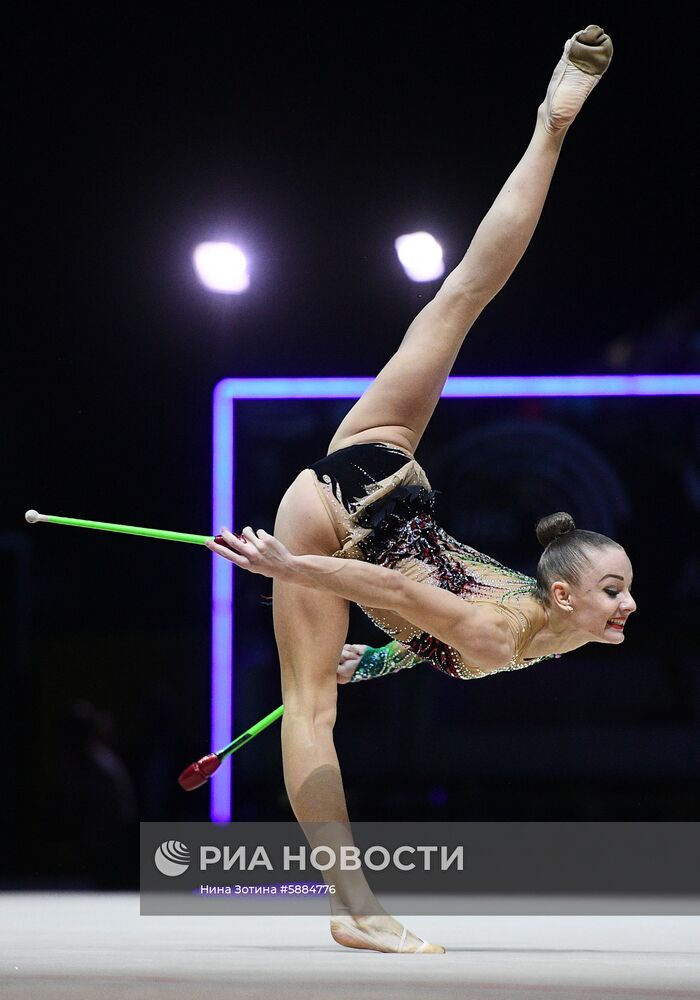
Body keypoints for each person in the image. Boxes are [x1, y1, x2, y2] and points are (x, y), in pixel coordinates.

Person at [207, 25, 631, 954]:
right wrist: (293, 566)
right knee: (308, 710)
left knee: (465, 294)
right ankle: (352, 910)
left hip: (384, 459)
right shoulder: (503, 632)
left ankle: (548, 130)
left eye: (623, 589)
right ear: (561, 593)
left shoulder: (544, 626)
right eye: (614, 591)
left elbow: (416, 624)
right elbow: (401, 594)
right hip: (337, 525)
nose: (628, 605)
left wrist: (387, 659)